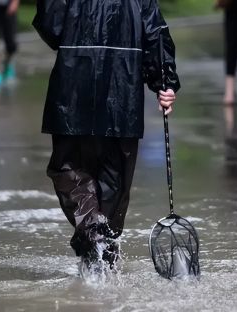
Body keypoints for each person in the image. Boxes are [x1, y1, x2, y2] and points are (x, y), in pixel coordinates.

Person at [33, 0, 180, 271]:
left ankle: (93, 239)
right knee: (113, 184)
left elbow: (51, 28)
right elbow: (156, 33)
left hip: (73, 95)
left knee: (70, 171)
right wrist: (165, 82)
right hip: (121, 101)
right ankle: (102, 258)